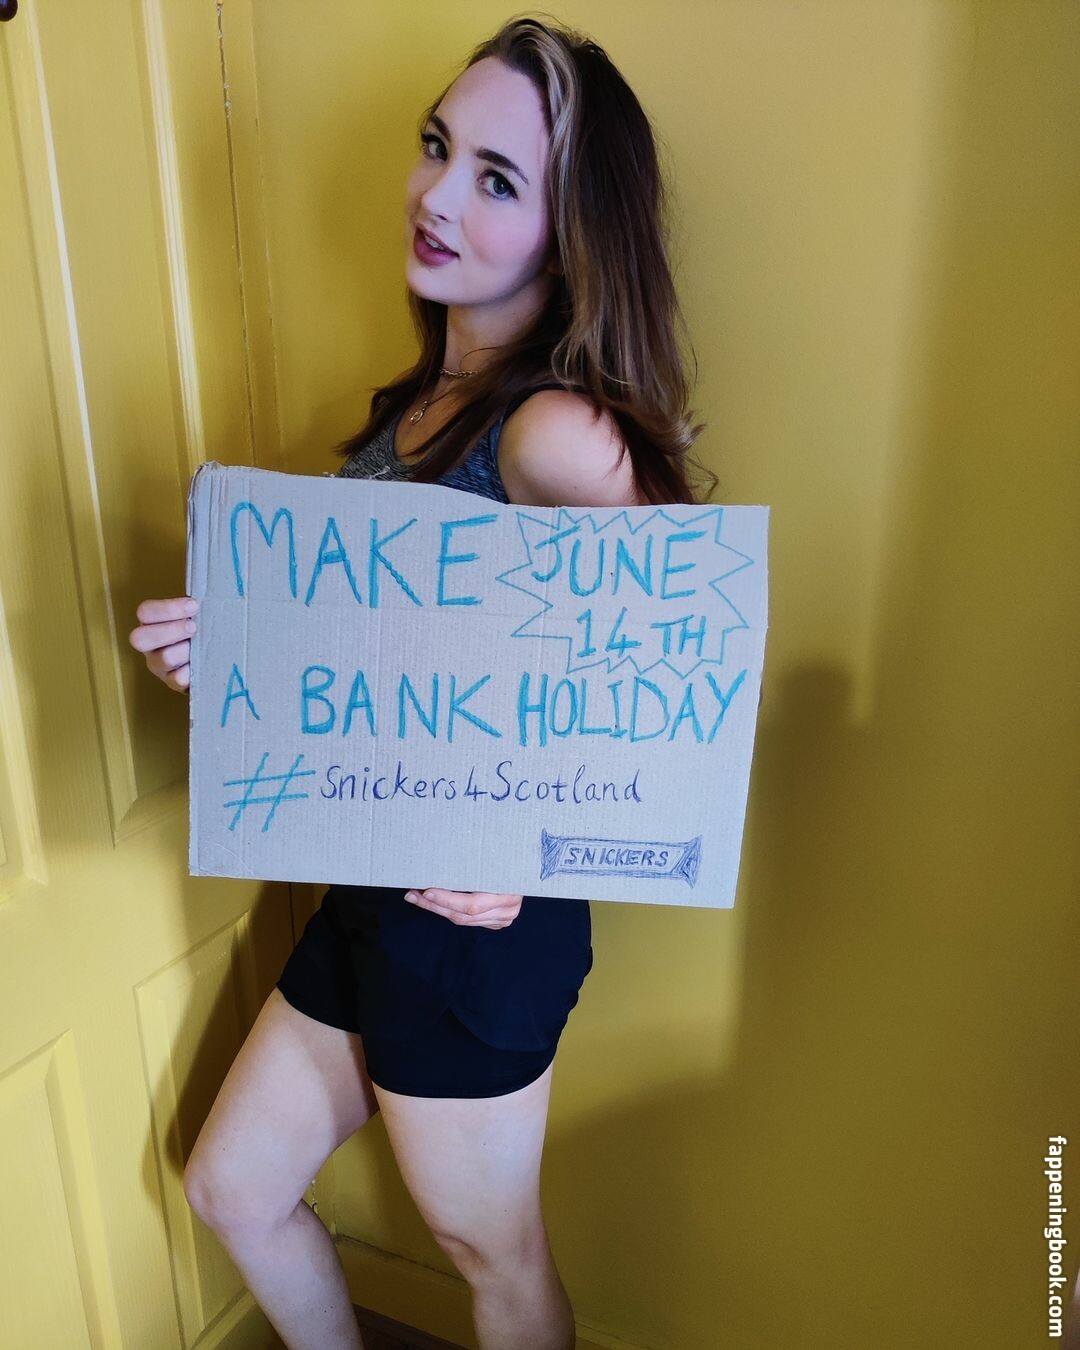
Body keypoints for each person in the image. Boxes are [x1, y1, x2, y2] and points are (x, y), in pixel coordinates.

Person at [129, 16, 711, 1350]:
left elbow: (678, 675)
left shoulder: (550, 427)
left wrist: (534, 845)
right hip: (369, 888)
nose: (438, 196)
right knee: (233, 1184)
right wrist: (242, 661)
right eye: (438, 148)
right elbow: (394, 667)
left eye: (496, 179)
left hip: (472, 933)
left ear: (569, 234)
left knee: (493, 1262)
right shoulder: (415, 407)